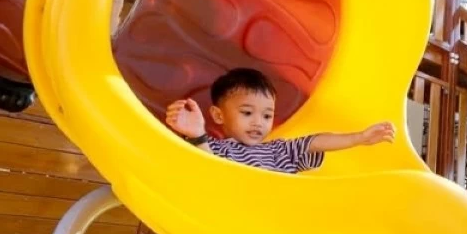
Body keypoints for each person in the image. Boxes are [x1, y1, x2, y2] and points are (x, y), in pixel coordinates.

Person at [165, 68, 394, 171]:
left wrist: (359, 138)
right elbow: (208, 172)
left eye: (267, 115)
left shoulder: (278, 151)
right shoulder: (213, 148)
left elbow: (314, 142)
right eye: (247, 113)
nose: (258, 122)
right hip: (235, 210)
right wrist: (197, 134)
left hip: (278, 218)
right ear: (218, 115)